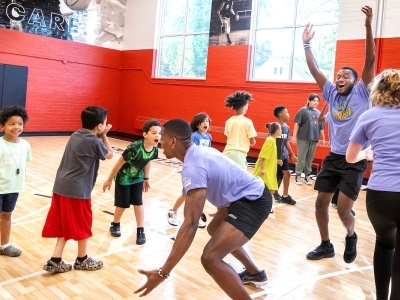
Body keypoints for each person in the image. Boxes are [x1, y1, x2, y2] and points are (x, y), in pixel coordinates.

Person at [135, 119, 271, 299]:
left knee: (210, 258)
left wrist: (163, 272)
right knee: (213, 228)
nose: (161, 142)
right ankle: (255, 273)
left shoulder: (193, 168)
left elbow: (190, 224)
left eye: (163, 138)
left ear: (174, 141)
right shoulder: (198, 151)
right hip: (239, 198)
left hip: (253, 201)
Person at [303, 6, 375, 263]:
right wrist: (306, 45)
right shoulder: (332, 93)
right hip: (334, 157)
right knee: (320, 204)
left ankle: (351, 235)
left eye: (346, 75)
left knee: (344, 210)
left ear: (356, 81)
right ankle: (325, 245)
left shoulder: (362, 93)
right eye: (338, 75)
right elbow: (314, 70)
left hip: (354, 159)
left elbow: (369, 62)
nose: (340, 77)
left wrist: (368, 26)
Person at [346, 69, 400, 300]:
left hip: (380, 194)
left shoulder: (369, 115)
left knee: (385, 244)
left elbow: (350, 157)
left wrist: (368, 154)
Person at [42, 106, 113, 272]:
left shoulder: (76, 135)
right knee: (83, 222)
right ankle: (82, 259)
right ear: (99, 125)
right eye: (105, 122)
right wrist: (104, 136)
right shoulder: (93, 141)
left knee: (64, 223)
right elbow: (109, 154)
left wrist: (100, 133)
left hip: (61, 186)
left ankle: (56, 259)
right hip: (77, 190)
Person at [103, 119, 161, 245]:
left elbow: (147, 162)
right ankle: (115, 224)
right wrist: (109, 180)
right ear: (145, 134)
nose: (157, 136)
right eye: (154, 133)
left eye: (159, 133)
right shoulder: (134, 148)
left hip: (138, 178)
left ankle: (140, 230)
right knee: (122, 204)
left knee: (138, 203)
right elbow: (118, 164)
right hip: (124, 178)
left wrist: (146, 178)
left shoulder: (154, 149)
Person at [167, 113, 212, 228]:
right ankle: (172, 211)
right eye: (203, 121)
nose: (205, 123)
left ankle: (196, 217)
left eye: (207, 121)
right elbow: (192, 152)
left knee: (200, 195)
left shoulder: (208, 137)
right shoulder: (195, 137)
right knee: (186, 194)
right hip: (194, 168)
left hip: (203, 169)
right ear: (197, 124)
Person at [0, 105, 32, 257]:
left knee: (7, 215)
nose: (16, 127)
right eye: (11, 124)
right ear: (2, 126)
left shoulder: (25, 145)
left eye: (19, 124)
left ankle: (4, 245)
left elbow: (23, 166)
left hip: (13, 188)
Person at [292, 93, 325, 185]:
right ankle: (298, 175)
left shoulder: (319, 113)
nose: (316, 102)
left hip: (314, 139)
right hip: (303, 138)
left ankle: (307, 175)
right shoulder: (303, 111)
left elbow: (321, 127)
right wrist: (294, 136)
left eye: (317, 101)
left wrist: (323, 138)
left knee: (309, 159)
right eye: (314, 100)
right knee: (301, 158)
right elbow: (297, 124)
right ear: (309, 101)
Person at [223, 91, 257, 170]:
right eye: (247, 105)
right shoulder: (247, 122)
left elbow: (229, 136)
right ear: (243, 107)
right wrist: (252, 142)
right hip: (238, 154)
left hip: (226, 153)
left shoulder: (228, 121)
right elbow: (252, 142)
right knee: (240, 180)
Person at [272, 106, 298, 205]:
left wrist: (292, 155)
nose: (288, 114)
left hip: (284, 156)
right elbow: (270, 142)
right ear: (280, 115)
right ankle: (275, 193)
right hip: (275, 156)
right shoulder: (274, 126)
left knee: (287, 174)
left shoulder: (287, 128)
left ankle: (285, 196)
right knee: (278, 176)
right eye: (286, 112)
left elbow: (287, 142)